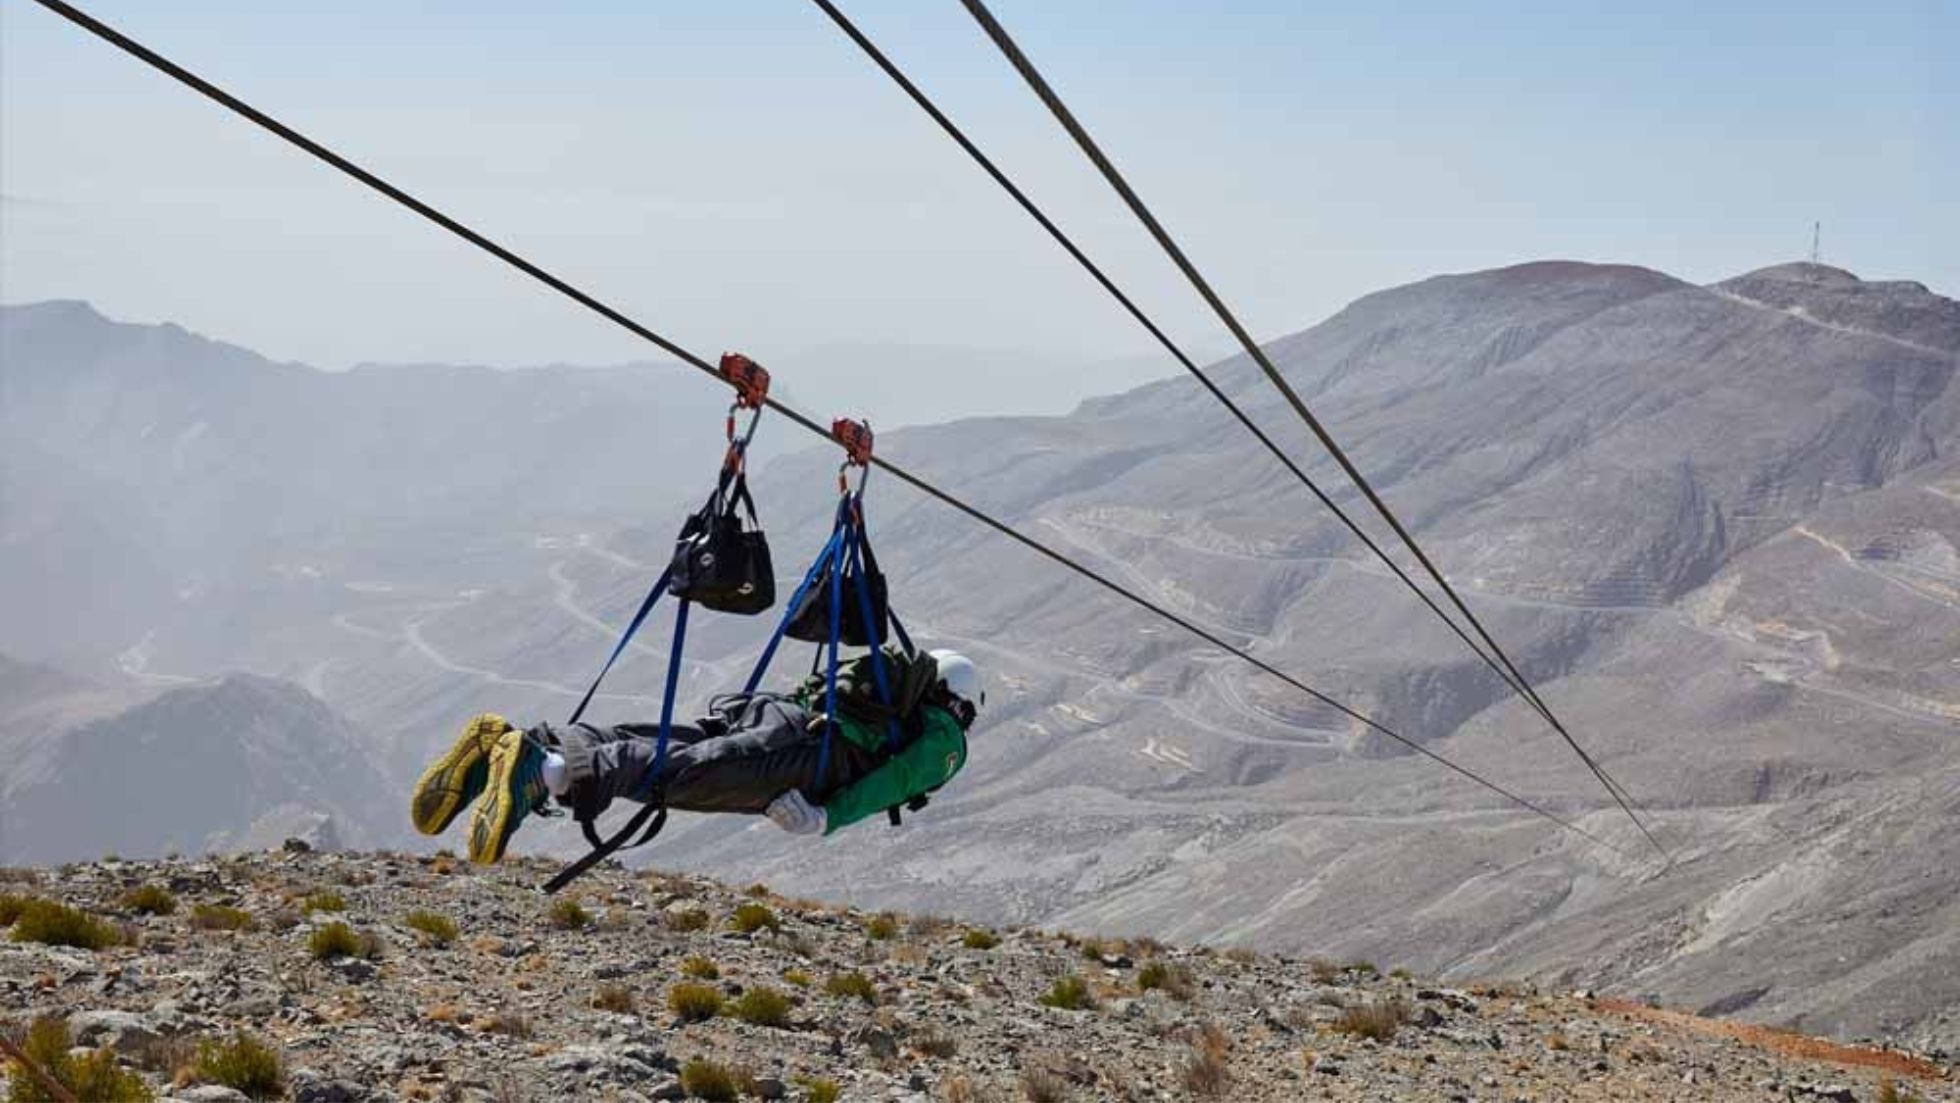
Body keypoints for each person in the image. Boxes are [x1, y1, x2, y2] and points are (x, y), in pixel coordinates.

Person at [409, 649, 981, 864]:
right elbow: (898, 779)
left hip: (772, 712)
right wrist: (826, 818)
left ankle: (516, 744)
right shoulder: (945, 740)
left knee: (660, 744)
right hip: (802, 755)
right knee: (674, 778)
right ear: (963, 703)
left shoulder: (891, 696)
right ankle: (545, 773)